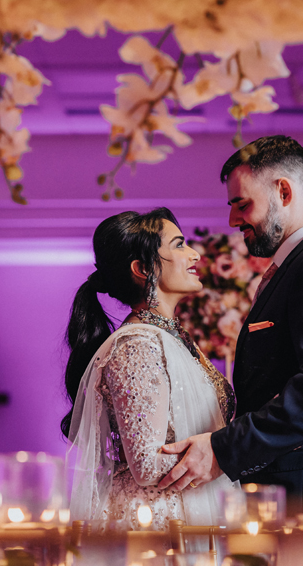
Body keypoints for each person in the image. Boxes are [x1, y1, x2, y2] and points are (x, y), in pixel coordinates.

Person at [158, 135, 303, 523]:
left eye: (241, 204)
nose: (232, 220)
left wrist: (223, 450)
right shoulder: (298, 268)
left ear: (283, 191)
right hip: (292, 501)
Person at [62, 207, 237, 532]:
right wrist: (227, 453)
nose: (195, 254)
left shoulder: (172, 339)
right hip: (159, 524)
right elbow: (145, 464)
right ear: (143, 268)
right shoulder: (138, 345)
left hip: (189, 510)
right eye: (179, 244)